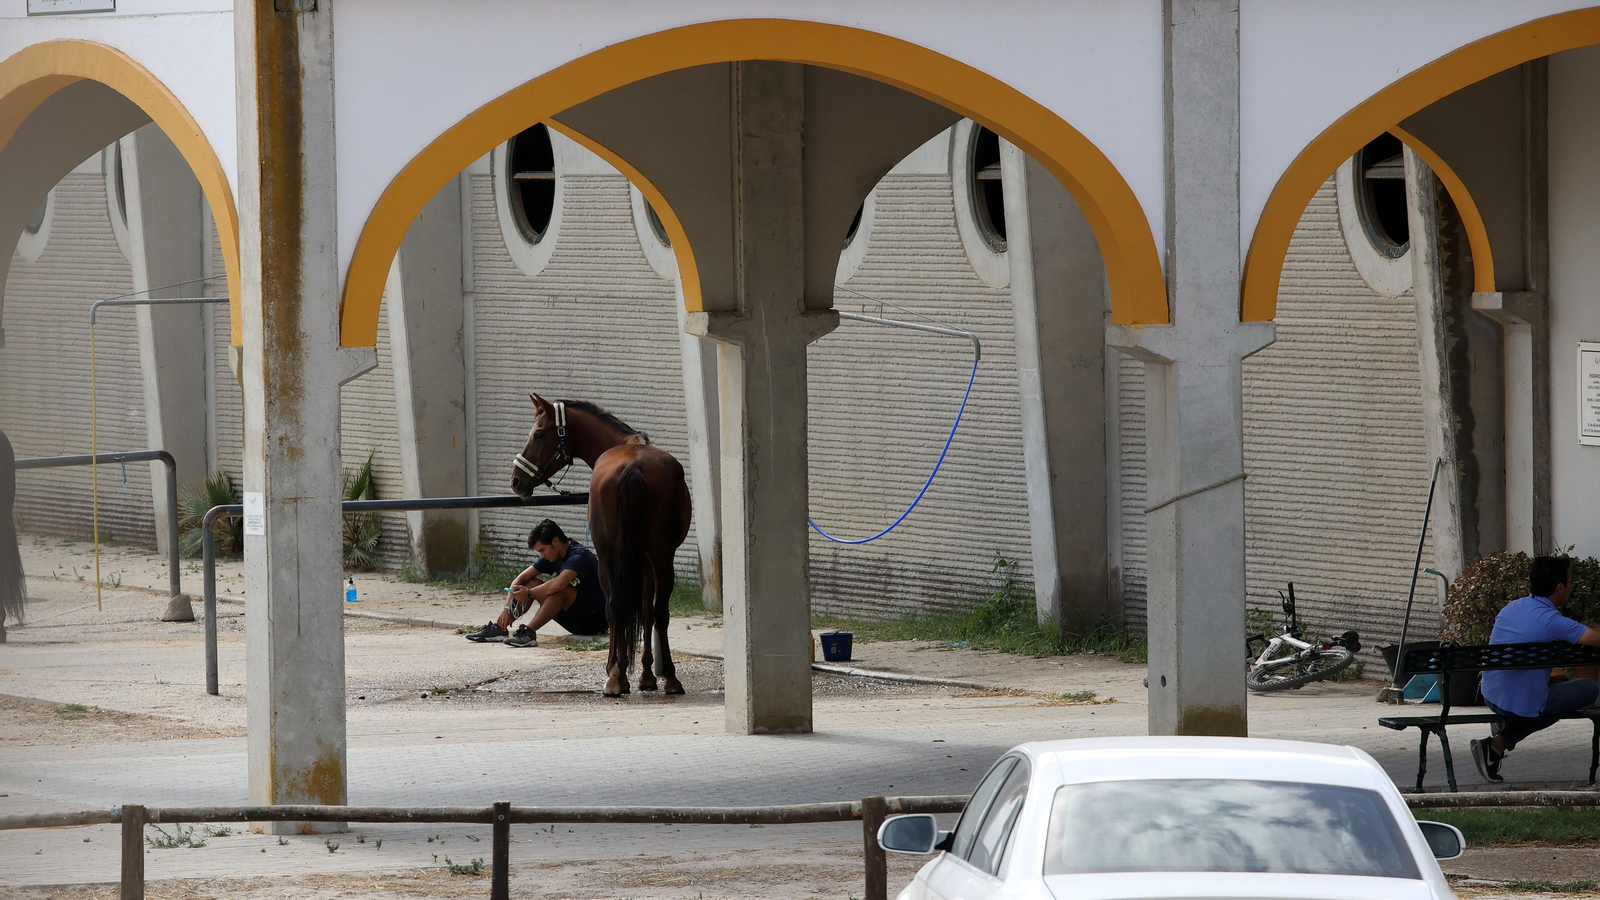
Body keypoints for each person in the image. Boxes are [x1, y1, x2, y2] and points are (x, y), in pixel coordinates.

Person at [1471, 555, 1600, 783]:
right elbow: (1596, 639)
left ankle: (1505, 728)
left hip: (1491, 694)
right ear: (1560, 587)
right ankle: (1497, 744)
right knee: (1588, 689)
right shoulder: (1552, 621)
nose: (1572, 587)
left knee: (1555, 689)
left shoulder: (1512, 608)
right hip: (1519, 701)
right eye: (1570, 582)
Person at [464, 519, 607, 648]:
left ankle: (528, 632)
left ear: (555, 542)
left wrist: (529, 593)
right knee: (531, 583)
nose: (542, 555)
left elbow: (558, 584)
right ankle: (500, 628)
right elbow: (520, 579)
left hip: (593, 622)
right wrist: (507, 608)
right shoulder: (553, 555)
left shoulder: (579, 556)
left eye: (543, 550)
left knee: (560, 590)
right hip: (572, 618)